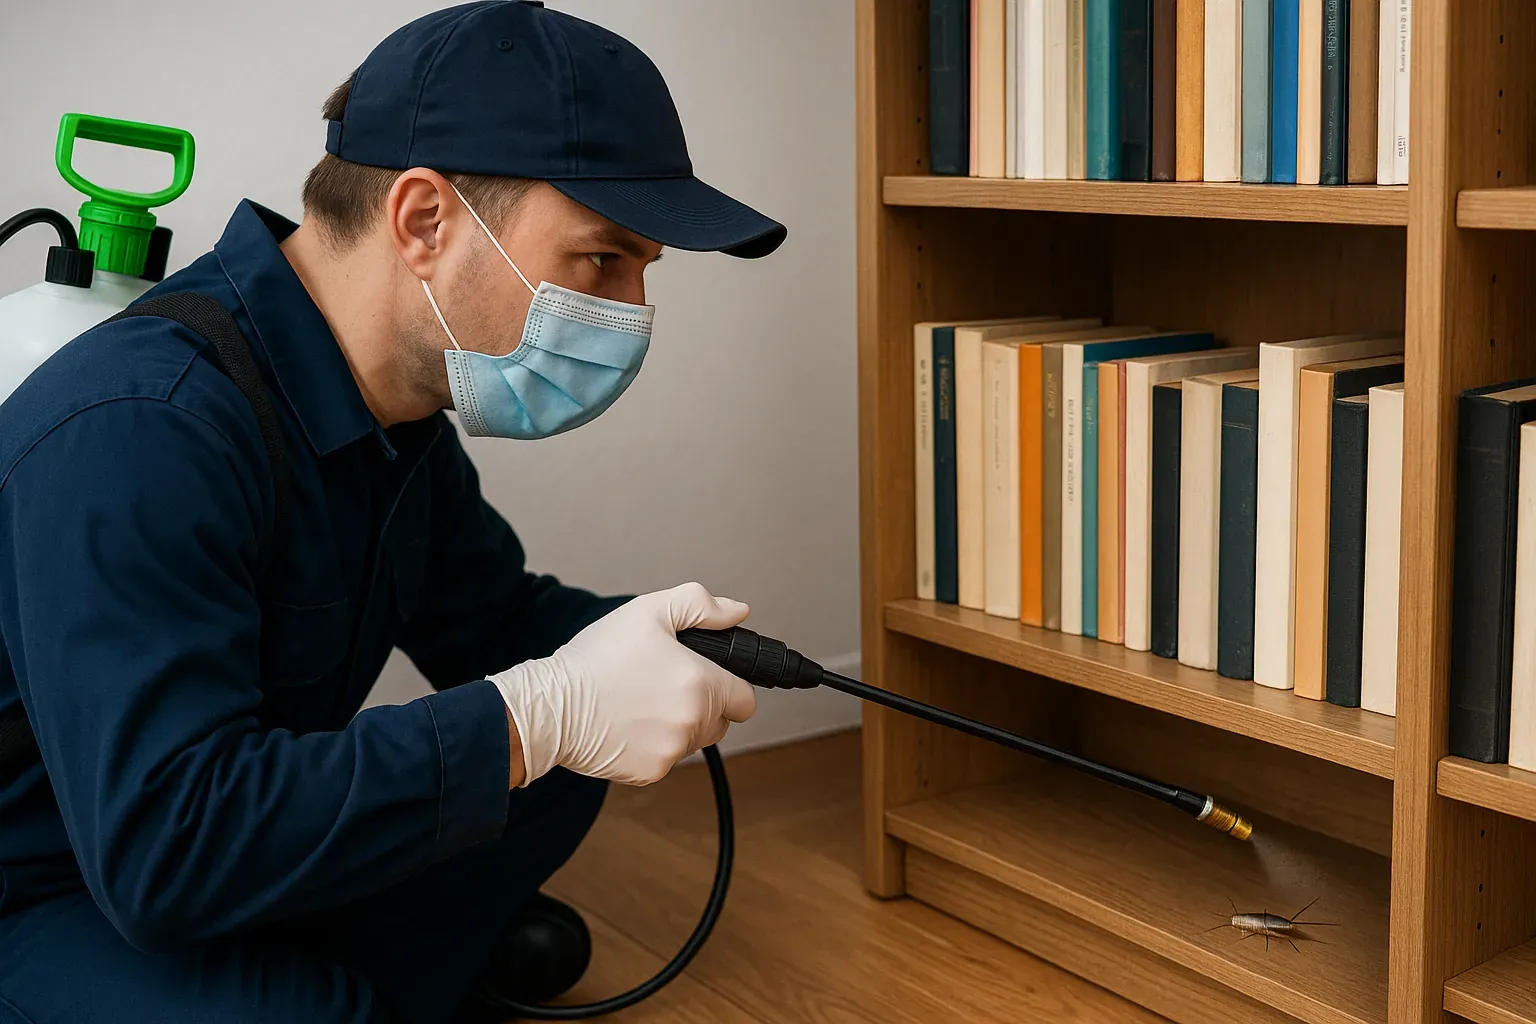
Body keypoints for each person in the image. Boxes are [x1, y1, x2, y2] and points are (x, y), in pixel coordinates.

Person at [0, 3, 786, 1021]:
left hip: (197, 858)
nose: (632, 312)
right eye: (603, 259)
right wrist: (539, 712)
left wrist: (666, 646)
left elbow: (494, 621)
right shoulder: (149, 427)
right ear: (423, 220)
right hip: (57, 883)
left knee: (564, 747)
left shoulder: (397, 402)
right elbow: (167, 844)